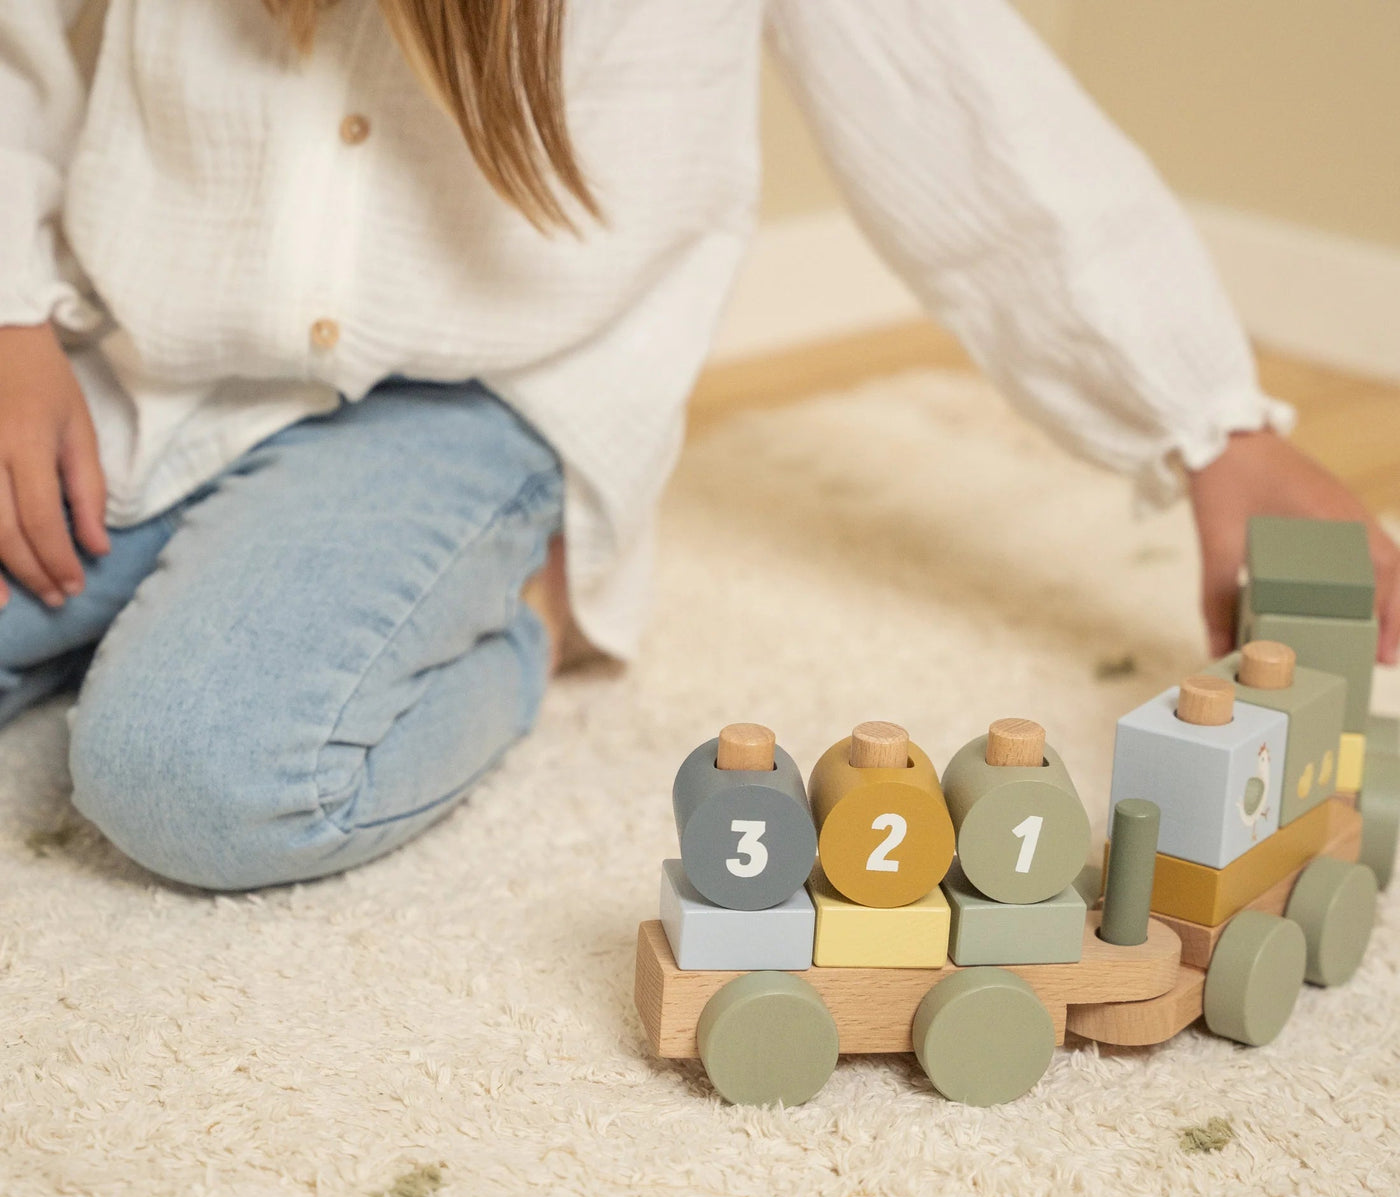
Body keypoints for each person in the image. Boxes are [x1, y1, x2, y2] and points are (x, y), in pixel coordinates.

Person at [0, 0, 1394, 890]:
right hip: (138, 365)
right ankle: (223, 562)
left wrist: (1211, 431)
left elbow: (969, 121)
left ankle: (529, 608)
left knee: (194, 766)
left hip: (470, 398)